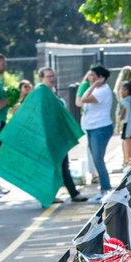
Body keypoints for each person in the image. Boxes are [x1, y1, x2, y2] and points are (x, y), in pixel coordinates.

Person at [37, 67, 88, 203]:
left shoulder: (51, 93)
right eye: (49, 76)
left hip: (57, 137)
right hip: (49, 138)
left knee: (63, 165)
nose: (52, 79)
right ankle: (55, 195)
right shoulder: (41, 93)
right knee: (54, 166)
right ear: (42, 78)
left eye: (53, 76)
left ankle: (71, 193)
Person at [78, 65, 115, 202]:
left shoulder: (103, 90)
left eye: (93, 75)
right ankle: (104, 189)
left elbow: (84, 99)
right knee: (96, 160)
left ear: (101, 78)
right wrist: (87, 83)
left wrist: (93, 85)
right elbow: (79, 101)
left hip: (100, 128)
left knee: (99, 160)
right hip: (92, 128)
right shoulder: (97, 89)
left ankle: (106, 190)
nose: (89, 77)